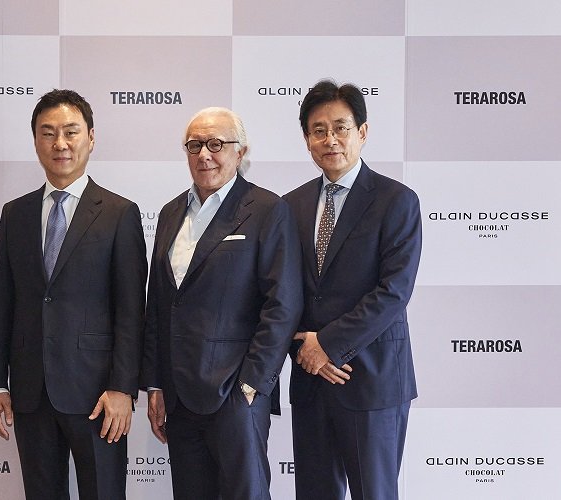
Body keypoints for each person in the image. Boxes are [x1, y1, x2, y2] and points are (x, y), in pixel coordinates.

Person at [0, 89, 147, 500]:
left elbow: (131, 311)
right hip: (30, 391)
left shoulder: (119, 213)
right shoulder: (15, 214)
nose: (60, 143)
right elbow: (3, 303)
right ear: (35, 141)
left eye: (71, 132)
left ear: (90, 137)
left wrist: (123, 388)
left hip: (98, 395)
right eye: (48, 133)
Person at [141, 107, 303, 500]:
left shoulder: (266, 210)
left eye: (216, 144)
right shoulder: (170, 213)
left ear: (240, 151)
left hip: (236, 393)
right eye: (194, 145)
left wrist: (252, 383)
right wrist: (156, 383)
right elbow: (159, 304)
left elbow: (282, 304)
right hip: (179, 396)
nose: (204, 154)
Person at [283, 79, 422, 500]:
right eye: (318, 130)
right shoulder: (290, 206)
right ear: (307, 139)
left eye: (340, 128)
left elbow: (393, 291)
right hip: (311, 379)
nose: (330, 139)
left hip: (372, 379)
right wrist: (305, 351)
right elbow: (281, 294)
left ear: (362, 131)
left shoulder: (396, 200)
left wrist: (328, 345)